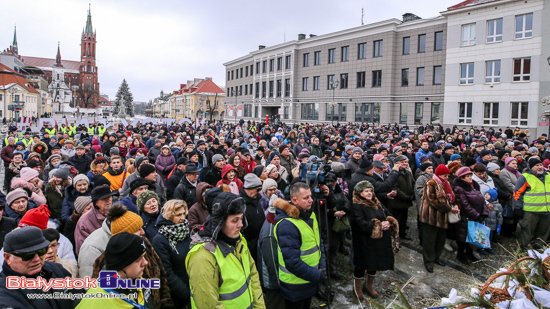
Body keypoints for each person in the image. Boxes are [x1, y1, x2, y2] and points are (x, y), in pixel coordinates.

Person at [186, 193, 265, 309]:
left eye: (242, 218)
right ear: (220, 222)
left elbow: (253, 276)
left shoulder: (239, 241)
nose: (241, 224)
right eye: (235, 220)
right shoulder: (202, 257)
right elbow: (209, 305)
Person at [0, 227, 83, 308]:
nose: (36, 259)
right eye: (28, 255)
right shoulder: (4, 296)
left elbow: (78, 297)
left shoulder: (56, 269)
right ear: (7, 258)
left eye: (41, 251)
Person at [273, 182, 325, 309]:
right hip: (295, 285)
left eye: (311, 196)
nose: (311, 200)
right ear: (294, 200)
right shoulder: (287, 225)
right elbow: (292, 263)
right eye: (306, 198)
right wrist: (317, 276)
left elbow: (318, 242)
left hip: (309, 279)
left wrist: (322, 266)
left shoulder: (309, 214)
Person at [76, 232, 154, 308]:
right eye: (138, 259)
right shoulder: (95, 303)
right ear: (122, 264)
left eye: (144, 256)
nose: (145, 262)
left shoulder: (135, 277)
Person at [350, 180, 398, 302]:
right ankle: (358, 287)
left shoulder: (377, 202)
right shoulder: (356, 206)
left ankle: (369, 285)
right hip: (364, 242)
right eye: (366, 191)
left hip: (379, 241)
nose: (369, 193)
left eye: (370, 190)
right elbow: (360, 224)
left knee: (375, 263)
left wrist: (388, 221)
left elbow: (387, 213)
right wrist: (378, 226)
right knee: (361, 265)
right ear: (360, 192)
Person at [78, 203, 144, 279]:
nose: (143, 232)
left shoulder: (137, 241)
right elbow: (89, 282)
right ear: (123, 234)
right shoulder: (91, 248)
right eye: (138, 229)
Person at [152, 200, 192, 308]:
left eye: (184, 214)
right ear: (169, 216)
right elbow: (166, 273)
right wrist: (186, 294)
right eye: (179, 215)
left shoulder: (185, 230)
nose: (183, 218)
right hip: (179, 296)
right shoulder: (160, 240)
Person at [419, 164, 459, 273]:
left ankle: (436, 257)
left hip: (442, 217)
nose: (446, 178)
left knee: (440, 240)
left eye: (447, 175)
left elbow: (451, 196)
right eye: (444, 175)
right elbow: (433, 200)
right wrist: (449, 209)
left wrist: (455, 205)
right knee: (430, 240)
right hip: (431, 216)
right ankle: (428, 261)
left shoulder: (445, 183)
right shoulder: (431, 183)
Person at [453, 167, 487, 264]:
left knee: (472, 236)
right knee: (463, 237)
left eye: (470, 175)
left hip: (476, 215)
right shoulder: (459, 188)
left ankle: (469, 252)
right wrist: (476, 215)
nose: (470, 178)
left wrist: (484, 212)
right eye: (467, 176)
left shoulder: (474, 185)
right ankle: (460, 255)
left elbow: (482, 199)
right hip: (466, 217)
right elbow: (465, 205)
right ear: (461, 178)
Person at [514, 158, 550, 250]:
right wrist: (518, 207)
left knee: (543, 232)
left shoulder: (548, 176)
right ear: (531, 167)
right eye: (537, 165)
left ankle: (539, 249)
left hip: (546, 211)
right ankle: (525, 250)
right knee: (527, 232)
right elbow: (517, 193)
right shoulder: (525, 177)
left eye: (541, 165)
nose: (540, 167)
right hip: (531, 211)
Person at [240, 174, 265, 262]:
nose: (259, 192)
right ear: (249, 188)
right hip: (249, 248)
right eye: (257, 189)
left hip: (259, 245)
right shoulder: (241, 205)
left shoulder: (257, 200)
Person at [391, 155, 415, 240]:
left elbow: (412, 183)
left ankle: (402, 233)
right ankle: (396, 234)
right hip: (398, 202)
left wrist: (413, 195)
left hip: (406, 201)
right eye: (402, 162)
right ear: (396, 163)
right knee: (397, 219)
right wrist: (406, 197)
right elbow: (395, 188)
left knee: (404, 219)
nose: (404, 164)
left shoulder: (407, 173)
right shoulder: (394, 173)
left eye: (405, 162)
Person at [499, 157, 520, 237]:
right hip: (511, 196)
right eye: (513, 163)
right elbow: (508, 185)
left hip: (518, 196)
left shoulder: (516, 172)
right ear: (507, 164)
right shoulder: (504, 172)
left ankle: (512, 231)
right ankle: (506, 232)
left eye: (516, 163)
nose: (515, 165)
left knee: (515, 214)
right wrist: (520, 190)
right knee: (508, 214)